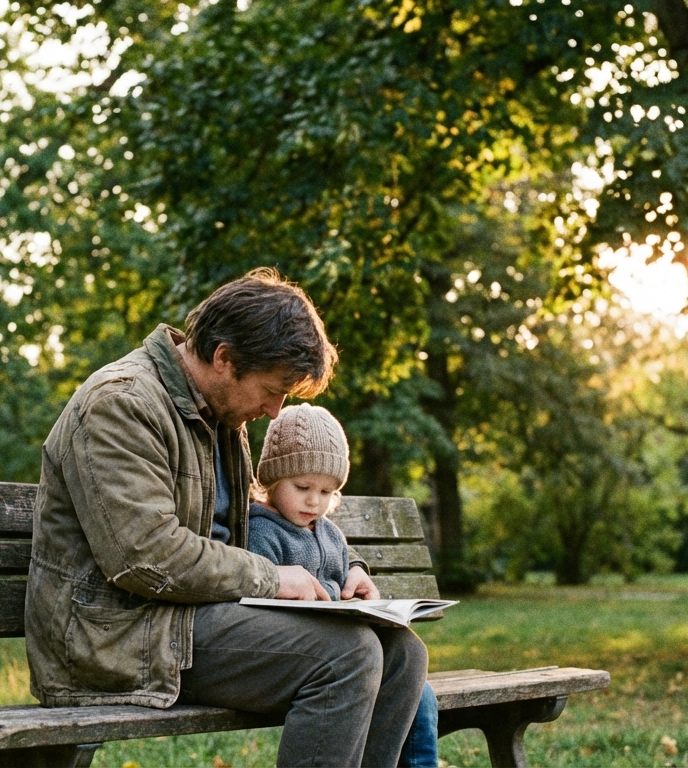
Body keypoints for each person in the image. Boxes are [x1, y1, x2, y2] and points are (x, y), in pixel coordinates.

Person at [25, 268, 428, 767]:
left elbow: (267, 518)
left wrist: (350, 569)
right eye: (273, 389)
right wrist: (270, 578)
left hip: (189, 620)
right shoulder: (122, 403)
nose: (277, 411)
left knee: (403, 655)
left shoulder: (220, 414)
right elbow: (143, 556)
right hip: (120, 638)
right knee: (347, 657)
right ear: (224, 358)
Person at [245, 403, 440, 768]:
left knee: (414, 668)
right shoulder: (262, 531)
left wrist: (356, 572)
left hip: (349, 647)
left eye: (327, 491)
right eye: (302, 486)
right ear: (271, 479)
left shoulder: (328, 532)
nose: (313, 501)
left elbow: (341, 562)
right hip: (300, 656)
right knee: (396, 679)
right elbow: (260, 597)